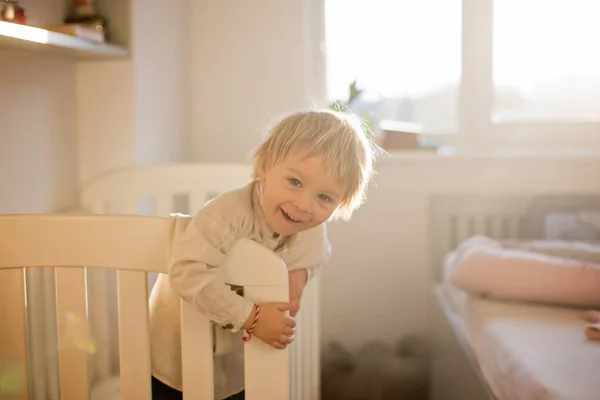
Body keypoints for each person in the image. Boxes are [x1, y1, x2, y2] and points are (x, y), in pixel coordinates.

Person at [148, 108, 376, 400]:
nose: (304, 205)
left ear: (339, 203)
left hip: (234, 358)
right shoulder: (227, 215)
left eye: (324, 197)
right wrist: (252, 318)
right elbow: (186, 271)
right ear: (265, 167)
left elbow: (317, 254)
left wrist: (299, 276)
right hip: (177, 350)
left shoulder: (309, 226)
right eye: (295, 182)